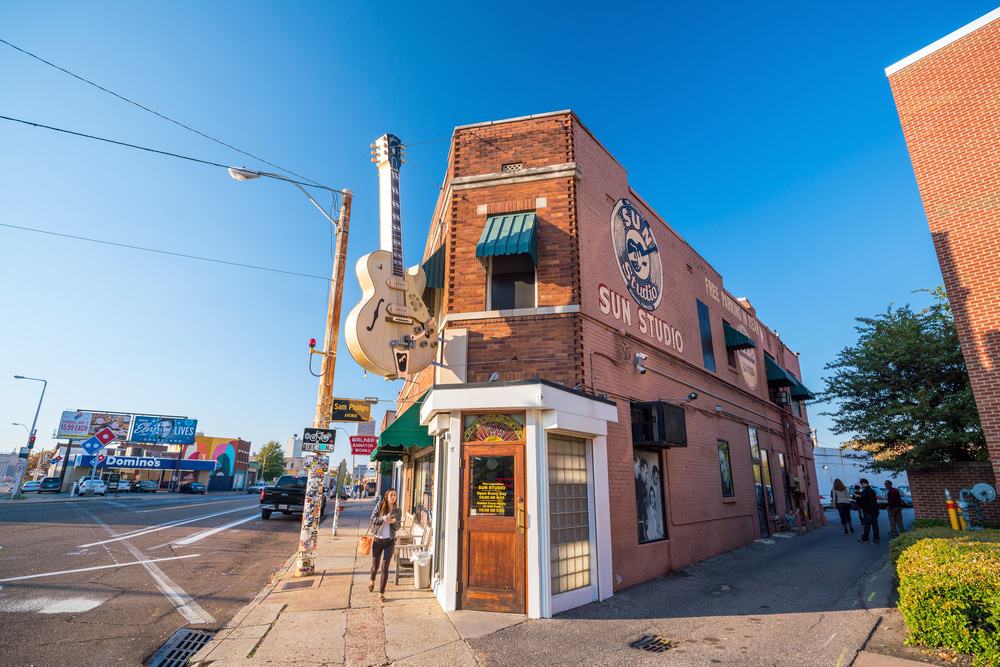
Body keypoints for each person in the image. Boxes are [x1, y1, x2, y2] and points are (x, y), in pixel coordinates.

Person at [369, 488, 401, 602]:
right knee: (375, 565)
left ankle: (381, 593)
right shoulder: (380, 506)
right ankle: (372, 580)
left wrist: (394, 522)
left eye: (395, 495)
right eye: (391, 495)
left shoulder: (397, 510)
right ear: (387, 496)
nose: (393, 497)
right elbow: (372, 519)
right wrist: (382, 518)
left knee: (384, 567)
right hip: (378, 541)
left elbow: (398, 527)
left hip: (389, 541)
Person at [856, 478, 880, 544]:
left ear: (863, 483)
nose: (861, 485)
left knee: (867, 525)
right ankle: (876, 538)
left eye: (861, 484)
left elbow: (862, 502)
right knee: (875, 525)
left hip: (867, 511)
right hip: (875, 510)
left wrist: (858, 498)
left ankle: (865, 538)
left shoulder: (864, 492)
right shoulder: (872, 491)